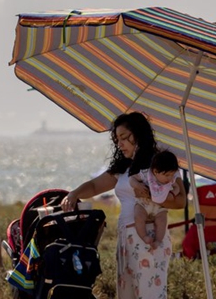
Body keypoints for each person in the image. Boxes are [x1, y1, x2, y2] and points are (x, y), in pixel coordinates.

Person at [61, 112, 186, 299]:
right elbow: (95, 185)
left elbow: (181, 201)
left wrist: (152, 195)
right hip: (126, 238)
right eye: (117, 139)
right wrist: (74, 194)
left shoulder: (160, 162)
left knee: (150, 294)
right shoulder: (124, 167)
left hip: (149, 235)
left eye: (124, 138)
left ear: (138, 135)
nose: (120, 144)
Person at [129, 149, 180, 250]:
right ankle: (144, 236)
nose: (170, 178)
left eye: (172, 174)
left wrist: (172, 195)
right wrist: (138, 185)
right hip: (144, 204)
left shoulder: (171, 180)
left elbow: (177, 188)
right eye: (167, 175)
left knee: (162, 221)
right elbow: (131, 179)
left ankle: (158, 240)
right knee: (138, 216)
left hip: (160, 207)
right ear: (155, 171)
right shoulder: (145, 174)